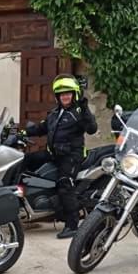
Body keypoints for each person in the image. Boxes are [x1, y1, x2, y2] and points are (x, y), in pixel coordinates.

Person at [23, 74, 98, 239]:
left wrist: (85, 108)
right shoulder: (55, 113)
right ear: (58, 96)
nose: (65, 96)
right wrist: (20, 132)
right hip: (53, 154)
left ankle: (72, 225)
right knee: (26, 160)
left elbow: (92, 128)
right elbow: (40, 128)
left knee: (65, 184)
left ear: (74, 94)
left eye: (68, 93)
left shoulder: (78, 112)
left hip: (71, 156)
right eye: (62, 94)